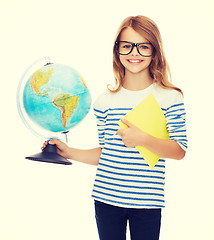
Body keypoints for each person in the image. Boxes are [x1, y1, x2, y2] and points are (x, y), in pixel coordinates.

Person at [42, 15, 188, 240]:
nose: (134, 53)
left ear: (155, 51)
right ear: (117, 50)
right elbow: (105, 153)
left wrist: (144, 139)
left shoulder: (170, 98)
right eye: (127, 46)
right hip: (106, 198)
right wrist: (68, 152)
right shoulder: (104, 101)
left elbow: (179, 151)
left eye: (143, 47)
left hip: (147, 201)